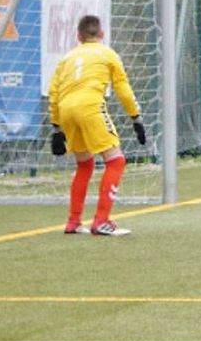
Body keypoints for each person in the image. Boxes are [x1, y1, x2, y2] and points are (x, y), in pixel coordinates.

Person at [48, 14, 146, 237]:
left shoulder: (68, 58)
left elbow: (54, 91)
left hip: (66, 109)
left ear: (78, 36)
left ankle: (73, 222)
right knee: (116, 161)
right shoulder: (108, 54)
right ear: (102, 34)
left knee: (84, 165)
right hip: (90, 106)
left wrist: (56, 126)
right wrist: (135, 117)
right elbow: (123, 89)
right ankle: (101, 221)